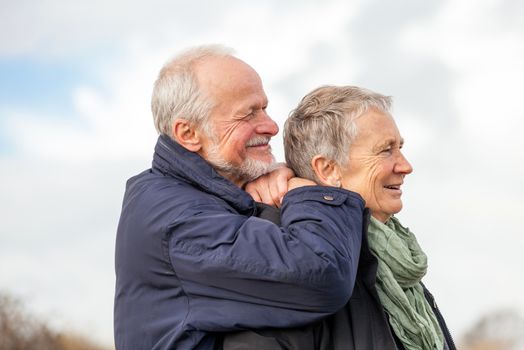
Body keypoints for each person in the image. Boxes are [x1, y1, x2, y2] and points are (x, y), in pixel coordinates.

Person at [114, 46, 368, 350]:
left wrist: (272, 179)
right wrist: (307, 193)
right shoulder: (176, 221)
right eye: (248, 114)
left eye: (264, 108)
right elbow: (322, 272)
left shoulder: (210, 193)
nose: (272, 126)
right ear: (189, 134)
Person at [224, 86, 456, 350]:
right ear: (328, 169)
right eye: (385, 150)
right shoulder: (285, 256)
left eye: (400, 147)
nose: (405, 166)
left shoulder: (394, 262)